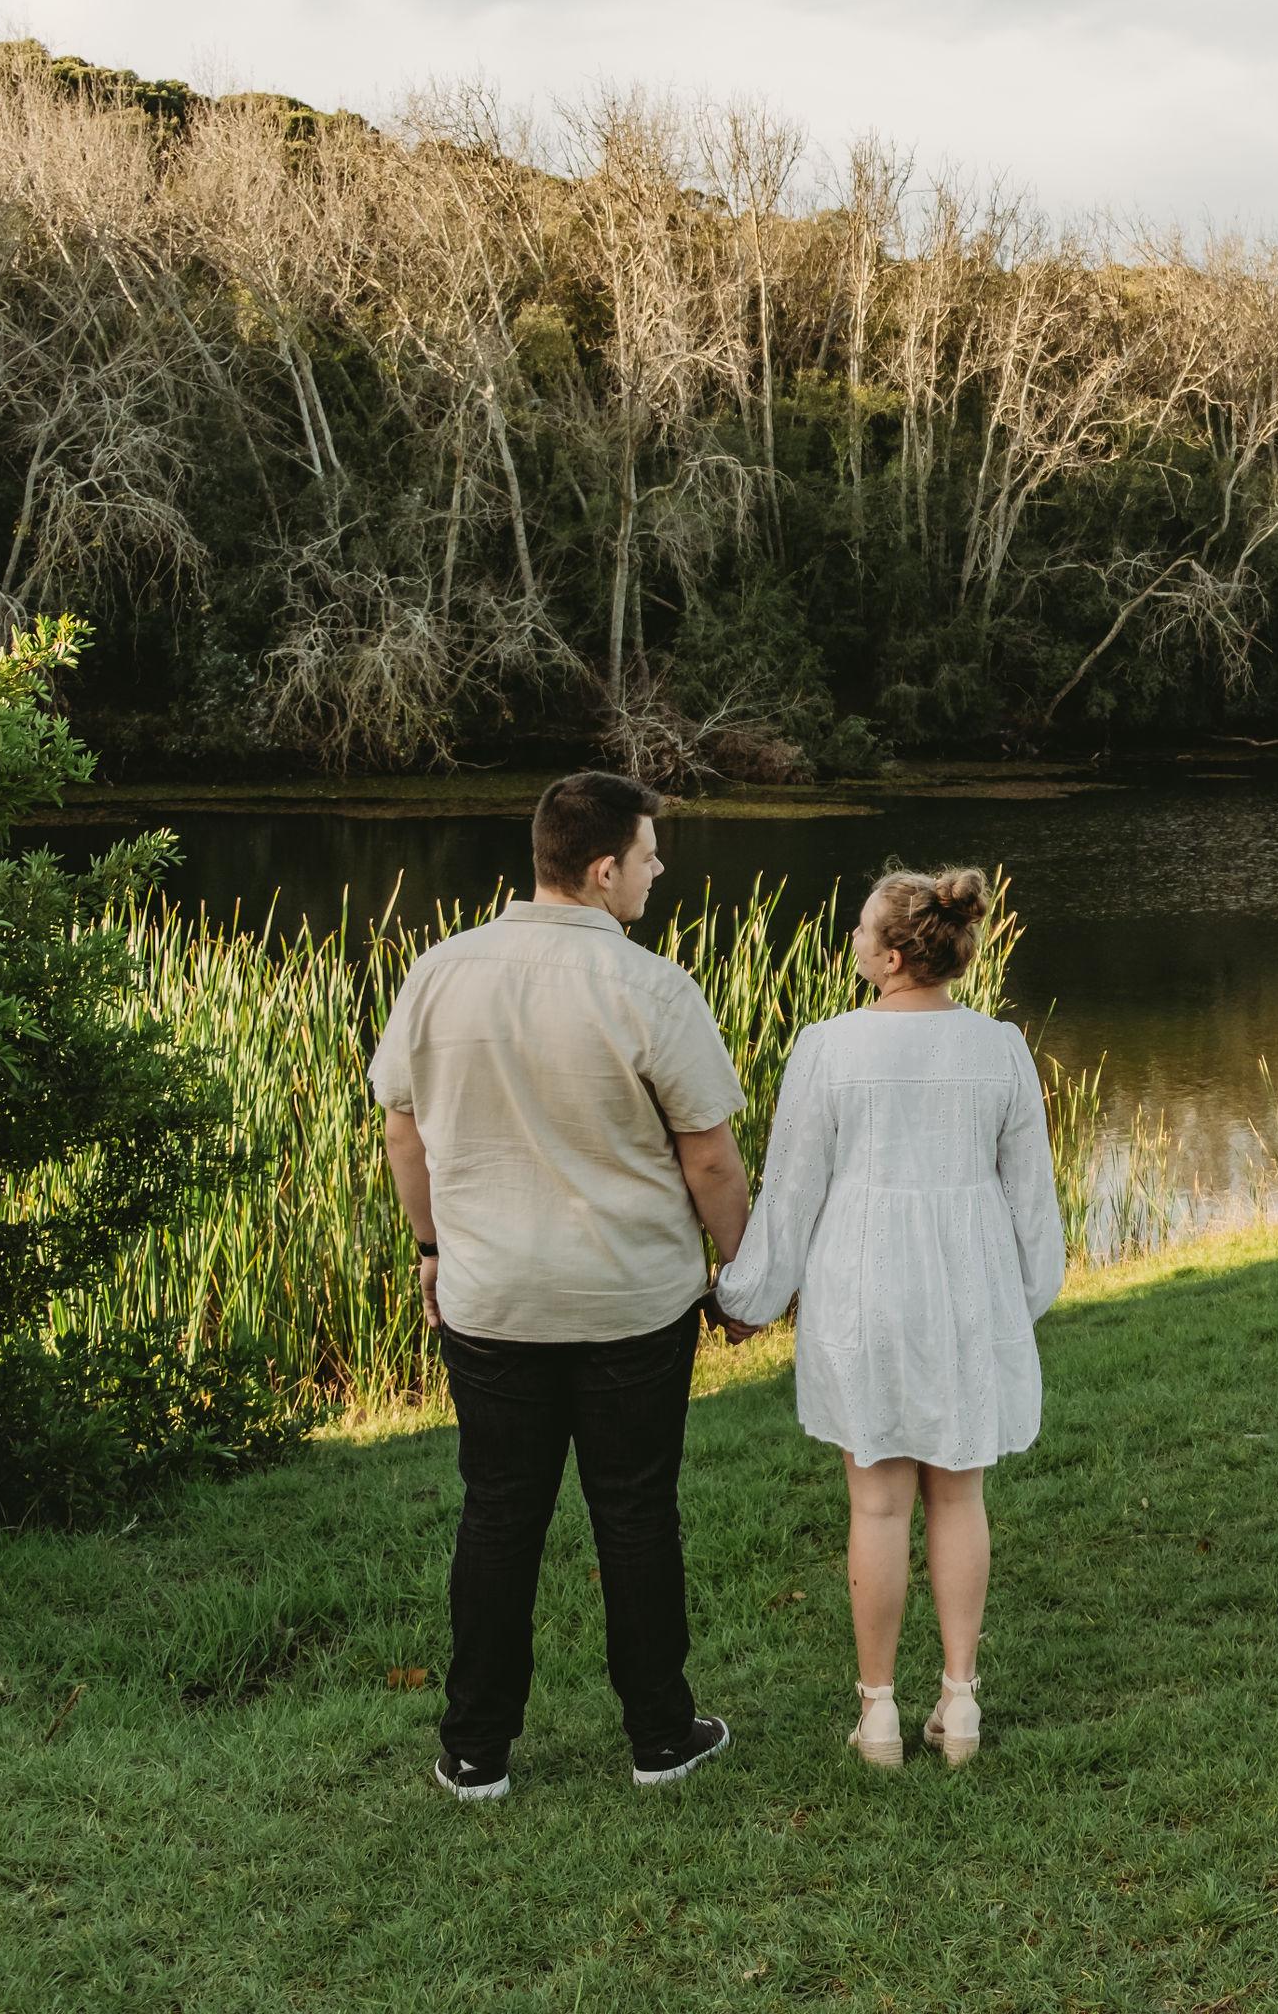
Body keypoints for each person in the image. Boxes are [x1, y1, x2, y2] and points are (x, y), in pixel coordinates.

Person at [369, 771, 754, 1800]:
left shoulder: (440, 971)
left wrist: (432, 1248)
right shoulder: (651, 987)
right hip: (631, 1302)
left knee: (498, 1513)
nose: (658, 868)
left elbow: (403, 1129)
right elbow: (710, 1160)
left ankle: (475, 1751)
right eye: (648, 854)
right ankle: (661, 1739)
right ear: (602, 869)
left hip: (491, 1302)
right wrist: (742, 1273)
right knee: (634, 1513)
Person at [711, 866, 1066, 1767]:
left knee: (875, 1502)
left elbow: (791, 1198)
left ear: (895, 955)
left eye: (864, 931)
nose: (855, 941)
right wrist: (1020, 1301)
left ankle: (878, 1714)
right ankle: (961, 1701)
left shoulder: (827, 1047)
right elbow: (1033, 1205)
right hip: (967, 1288)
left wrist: (742, 1297)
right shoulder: (1002, 1048)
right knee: (960, 1493)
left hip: (863, 1291)